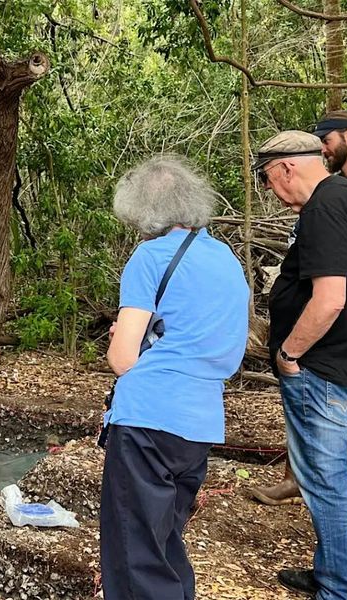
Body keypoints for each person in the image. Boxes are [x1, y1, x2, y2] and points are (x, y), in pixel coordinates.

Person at [99, 155, 249, 600]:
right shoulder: (224, 257)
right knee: (164, 541)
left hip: (149, 420)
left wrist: (132, 341)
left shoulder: (150, 256)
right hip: (200, 422)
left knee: (134, 555)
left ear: (143, 210)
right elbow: (210, 336)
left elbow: (122, 358)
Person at [254, 130, 347, 600]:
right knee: (324, 476)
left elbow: (329, 300)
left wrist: (290, 353)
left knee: (325, 480)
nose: (273, 192)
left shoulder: (325, 208)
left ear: (286, 167)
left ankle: (338, 589)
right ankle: (334, 573)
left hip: (320, 368)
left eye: (270, 180)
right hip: (343, 362)